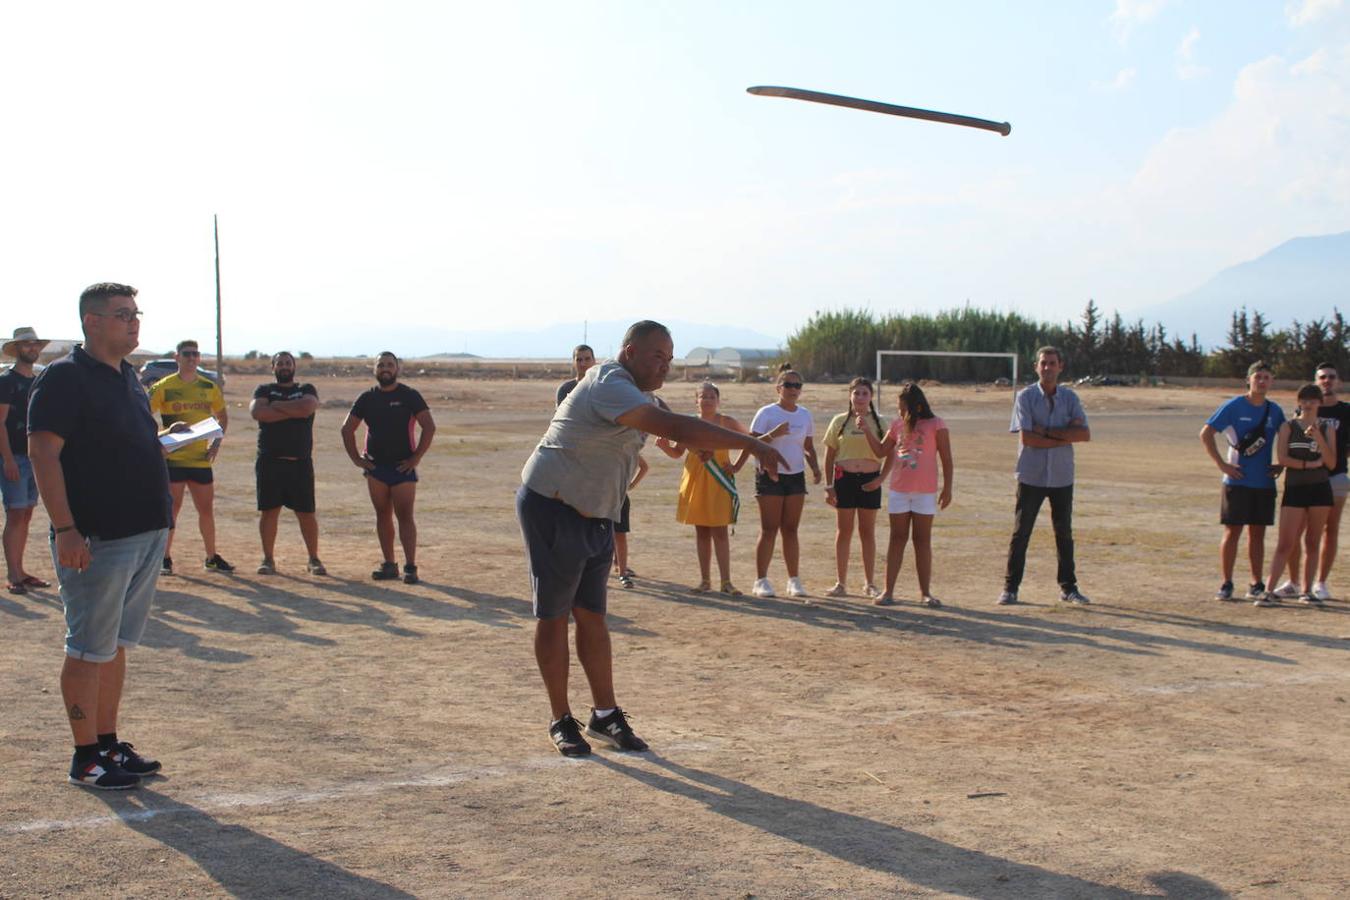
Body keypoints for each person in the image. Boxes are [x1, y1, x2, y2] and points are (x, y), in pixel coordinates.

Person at [518, 320, 785, 756]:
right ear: (628, 352)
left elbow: (677, 434)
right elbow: (674, 426)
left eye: (670, 358)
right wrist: (751, 444)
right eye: (656, 356)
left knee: (592, 615)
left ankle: (604, 715)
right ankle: (560, 718)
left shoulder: (641, 396)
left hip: (598, 511)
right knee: (553, 616)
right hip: (553, 503)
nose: (665, 365)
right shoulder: (609, 382)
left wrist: (705, 443)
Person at [28, 282, 174, 789]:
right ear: (91, 322)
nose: (133, 322)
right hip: (97, 536)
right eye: (121, 315)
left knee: (114, 645)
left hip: (145, 529)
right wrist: (66, 529)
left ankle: (108, 745)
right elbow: (44, 454)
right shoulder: (64, 378)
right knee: (88, 647)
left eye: (135, 313)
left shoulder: (129, 377)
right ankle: (85, 756)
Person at [999, 346, 1091, 605]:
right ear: (1036, 367)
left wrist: (1047, 432)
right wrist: (1063, 435)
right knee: (1022, 532)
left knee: (1064, 532)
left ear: (1061, 366)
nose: (1048, 368)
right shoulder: (1025, 397)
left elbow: (1084, 434)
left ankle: (1068, 587)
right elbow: (1028, 438)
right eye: (1043, 363)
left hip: (1062, 476)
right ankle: (1010, 588)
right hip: (1031, 475)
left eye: (1052, 363)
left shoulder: (1070, 399)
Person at [340, 352, 435, 584]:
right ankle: (389, 564)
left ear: (397, 369)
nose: (385, 368)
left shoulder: (410, 396)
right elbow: (346, 429)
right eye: (381, 365)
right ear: (374, 369)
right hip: (376, 468)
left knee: (405, 516)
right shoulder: (366, 398)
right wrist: (357, 460)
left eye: (390, 365)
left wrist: (415, 459)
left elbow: (429, 427)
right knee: (382, 515)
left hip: (402, 468)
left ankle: (410, 566)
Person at [1200, 361, 1286, 602]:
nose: (1262, 381)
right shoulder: (1234, 406)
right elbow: (1206, 433)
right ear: (1248, 380)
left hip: (1264, 483)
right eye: (1258, 377)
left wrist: (1281, 463)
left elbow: (1287, 435)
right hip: (1236, 482)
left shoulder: (1275, 410)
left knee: (1257, 534)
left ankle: (1256, 583)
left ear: (1272, 381)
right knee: (1232, 532)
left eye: (1266, 377)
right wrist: (1222, 465)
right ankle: (1226, 582)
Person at [862, 382, 953, 607]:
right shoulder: (896, 425)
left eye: (903, 408)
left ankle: (925, 593)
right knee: (897, 539)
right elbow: (881, 451)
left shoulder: (936, 424)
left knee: (922, 540)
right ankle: (888, 591)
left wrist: (948, 488)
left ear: (918, 407)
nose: (900, 413)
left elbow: (946, 458)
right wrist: (866, 430)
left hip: (925, 492)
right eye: (898, 408)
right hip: (899, 491)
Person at [654, 381, 748, 594]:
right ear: (696, 400)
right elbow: (678, 453)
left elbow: (750, 441)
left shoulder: (726, 422)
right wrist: (664, 448)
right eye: (703, 397)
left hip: (718, 482)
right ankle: (705, 581)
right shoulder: (688, 423)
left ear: (718, 400)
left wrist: (737, 466)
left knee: (720, 532)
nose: (707, 400)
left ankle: (726, 582)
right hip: (695, 481)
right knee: (702, 532)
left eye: (711, 397)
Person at [148, 339, 231, 575]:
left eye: (195, 354)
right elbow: (142, 416)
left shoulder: (209, 386)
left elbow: (222, 417)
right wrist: (164, 435)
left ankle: (211, 557)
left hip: (200, 459)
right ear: (177, 357)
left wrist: (216, 443)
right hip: (172, 459)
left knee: (206, 510)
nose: (192, 358)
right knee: (171, 510)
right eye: (187, 354)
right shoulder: (162, 386)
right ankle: (164, 557)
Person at [749, 364, 821, 599]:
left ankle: (794, 580)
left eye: (797, 385)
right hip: (770, 476)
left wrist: (815, 468)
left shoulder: (805, 415)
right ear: (778, 388)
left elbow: (808, 447)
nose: (793, 389)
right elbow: (753, 443)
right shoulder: (767, 413)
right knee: (769, 529)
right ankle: (761, 580)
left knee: (791, 530)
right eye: (788, 385)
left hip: (795, 477)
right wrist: (774, 434)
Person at [1279, 362, 1350, 601]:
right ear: (1316, 381)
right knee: (1296, 531)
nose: (1327, 380)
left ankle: (1320, 582)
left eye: (1331, 376)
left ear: (1338, 381)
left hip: (1335, 475)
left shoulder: (1345, 411)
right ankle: (1294, 581)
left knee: (1329, 530)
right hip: (1305, 478)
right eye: (1322, 377)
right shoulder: (1303, 410)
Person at [249, 351, 324, 576]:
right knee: (269, 511)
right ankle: (268, 559)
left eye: (287, 363)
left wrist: (276, 407)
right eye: (279, 363)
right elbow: (258, 412)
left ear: (294, 366)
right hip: (269, 461)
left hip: (299, 462)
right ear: (272, 367)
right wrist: (293, 410)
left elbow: (308, 407)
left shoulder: (306, 389)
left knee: (306, 512)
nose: (284, 366)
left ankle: (313, 558)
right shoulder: (263, 390)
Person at [1261, 383, 1335, 607]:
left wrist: (1318, 437)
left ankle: (1307, 590)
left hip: (1320, 490)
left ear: (1320, 403)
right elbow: (1283, 458)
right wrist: (1308, 465)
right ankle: (1268, 590)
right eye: (1305, 400)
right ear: (1299, 402)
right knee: (1286, 542)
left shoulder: (1327, 428)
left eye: (1313, 400)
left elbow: (1331, 462)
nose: (1309, 404)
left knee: (1312, 541)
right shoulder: (1288, 427)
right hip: (1295, 489)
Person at [820, 377, 887, 598]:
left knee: (867, 532)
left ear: (871, 397)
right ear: (850, 395)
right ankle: (841, 583)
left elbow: (888, 453)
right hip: (844, 480)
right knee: (844, 531)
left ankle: (869, 583)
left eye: (864, 393)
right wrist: (829, 485)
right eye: (856, 393)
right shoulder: (839, 421)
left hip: (870, 480)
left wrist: (880, 480)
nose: (860, 397)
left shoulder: (879, 423)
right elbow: (829, 456)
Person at [1, 326, 51, 594]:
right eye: (26, 344)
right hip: (15, 457)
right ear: (17, 349)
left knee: (27, 514)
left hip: (34, 457)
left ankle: (20, 571)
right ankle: (13, 574)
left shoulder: (38, 380)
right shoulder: (6, 381)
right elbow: (0, 423)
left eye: (34, 344)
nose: (31, 348)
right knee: (16, 513)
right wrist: (7, 459)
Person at [611, 454, 647, 588]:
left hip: (620, 498)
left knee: (620, 535)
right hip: (603, 496)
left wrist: (631, 485)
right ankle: (617, 565)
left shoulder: (628, 449)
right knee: (602, 534)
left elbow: (644, 466)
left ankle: (622, 572)